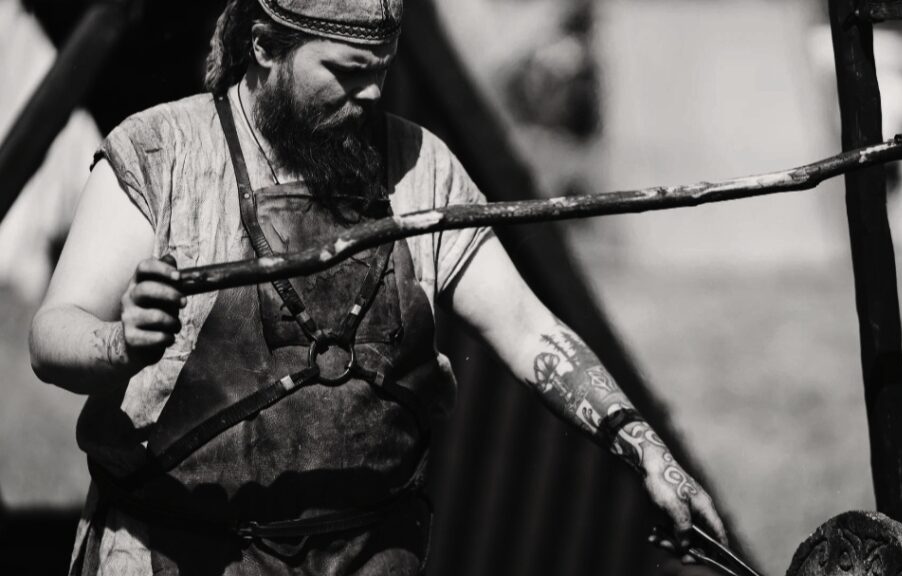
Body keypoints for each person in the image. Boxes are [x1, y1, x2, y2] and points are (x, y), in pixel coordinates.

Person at [29, 0, 727, 573]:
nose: (372, 95)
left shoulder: (420, 167)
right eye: (347, 71)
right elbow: (52, 332)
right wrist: (120, 342)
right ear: (265, 46)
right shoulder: (162, 152)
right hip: (172, 554)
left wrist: (647, 452)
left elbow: (527, 327)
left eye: (383, 71)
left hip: (366, 556)